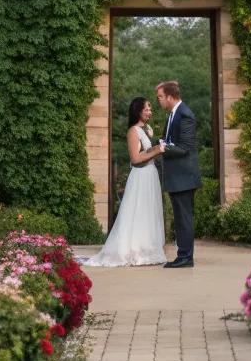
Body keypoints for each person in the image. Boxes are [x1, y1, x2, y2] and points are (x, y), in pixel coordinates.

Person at [82, 96, 167, 267]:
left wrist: (154, 148)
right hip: (141, 176)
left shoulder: (147, 129)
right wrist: (157, 150)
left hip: (150, 175)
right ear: (138, 111)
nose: (150, 112)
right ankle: (133, 249)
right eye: (146, 109)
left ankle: (147, 247)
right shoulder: (133, 131)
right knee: (137, 211)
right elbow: (135, 159)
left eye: (150, 109)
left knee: (148, 211)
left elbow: (145, 151)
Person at [155, 80, 199, 269]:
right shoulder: (173, 114)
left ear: (171, 97)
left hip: (184, 177)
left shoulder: (185, 114)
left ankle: (186, 257)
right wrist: (164, 142)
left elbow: (185, 148)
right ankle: (183, 255)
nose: (159, 101)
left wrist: (164, 147)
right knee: (181, 218)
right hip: (177, 177)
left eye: (161, 97)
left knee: (184, 218)